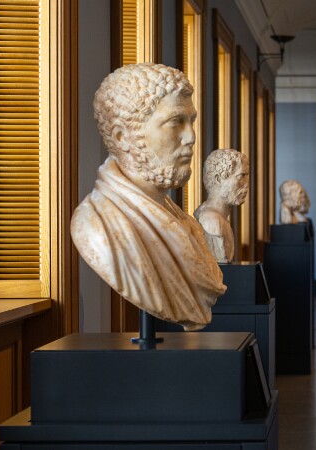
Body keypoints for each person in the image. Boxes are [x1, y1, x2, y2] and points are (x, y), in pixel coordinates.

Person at [72, 62, 226, 331]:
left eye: (191, 121)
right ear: (122, 136)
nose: (191, 137)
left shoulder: (182, 221)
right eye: (175, 122)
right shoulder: (99, 227)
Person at [194, 149, 250, 263]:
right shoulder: (212, 222)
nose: (247, 184)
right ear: (219, 179)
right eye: (241, 176)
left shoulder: (220, 219)